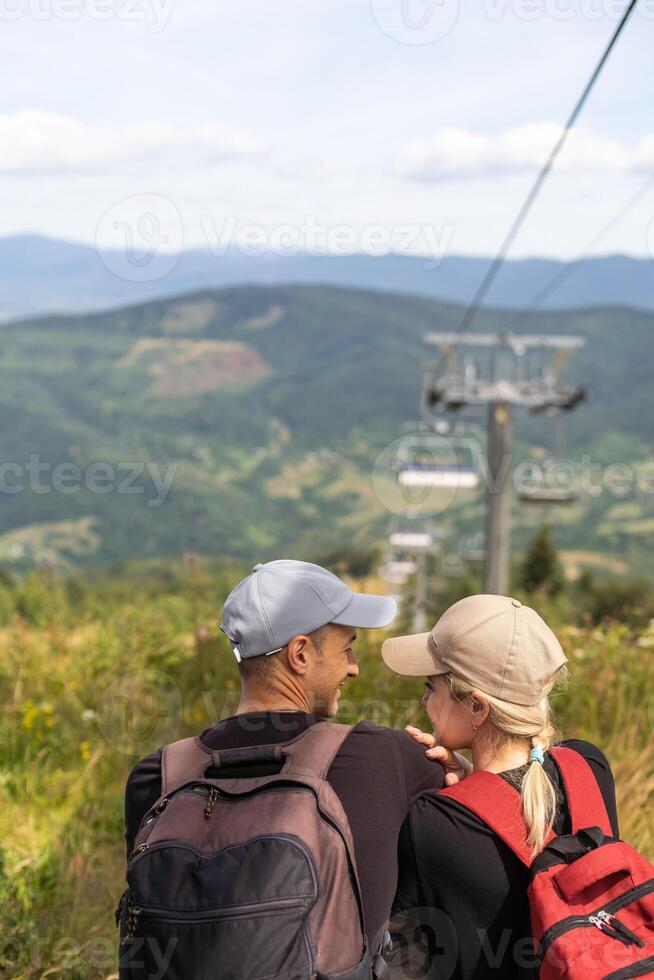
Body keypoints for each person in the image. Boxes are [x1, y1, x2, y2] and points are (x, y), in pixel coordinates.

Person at [124, 559, 455, 965]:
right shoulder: (388, 759)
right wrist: (463, 769)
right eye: (346, 648)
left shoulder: (156, 776)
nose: (353, 668)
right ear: (299, 654)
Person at [382, 594, 619, 980]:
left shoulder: (433, 822)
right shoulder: (590, 766)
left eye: (431, 687)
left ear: (477, 707)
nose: (424, 701)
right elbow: (529, 787)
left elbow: (403, 964)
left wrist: (468, 792)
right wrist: (474, 777)